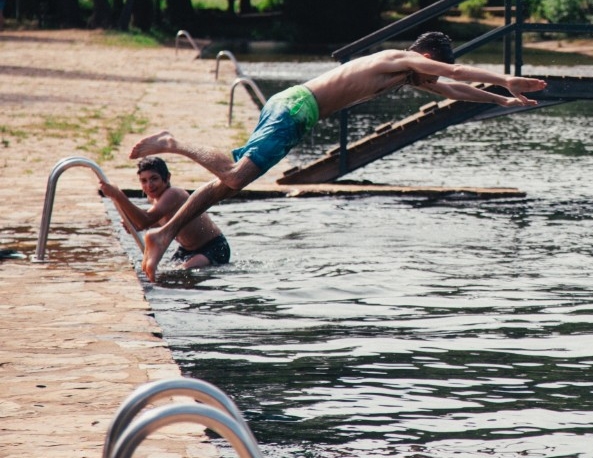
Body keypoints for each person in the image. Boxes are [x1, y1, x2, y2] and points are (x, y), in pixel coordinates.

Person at [129, 31, 547, 280]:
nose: (433, 77)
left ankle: (163, 235)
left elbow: (453, 88)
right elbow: (455, 74)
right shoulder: (399, 59)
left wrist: (503, 100)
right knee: (237, 176)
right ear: (425, 56)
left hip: (295, 111)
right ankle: (172, 143)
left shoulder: (409, 74)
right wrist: (506, 77)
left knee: (224, 187)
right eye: (432, 69)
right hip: (296, 110)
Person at [98, 157, 231, 270]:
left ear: (167, 178)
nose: (149, 185)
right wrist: (133, 224)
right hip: (186, 250)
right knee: (165, 273)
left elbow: (145, 220)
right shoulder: (154, 199)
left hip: (214, 247)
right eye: (143, 181)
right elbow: (151, 222)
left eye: (154, 179)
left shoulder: (174, 194)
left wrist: (118, 195)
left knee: (179, 273)